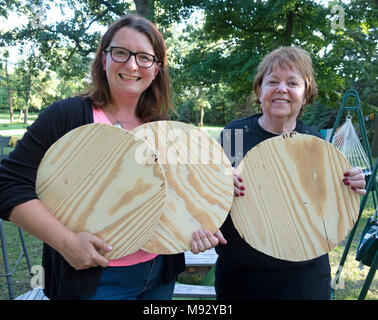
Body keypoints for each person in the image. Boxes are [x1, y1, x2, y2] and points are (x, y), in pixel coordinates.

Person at [0, 14, 225, 300]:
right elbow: (8, 185)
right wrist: (66, 242)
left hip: (158, 273)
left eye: (144, 57)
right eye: (121, 53)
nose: (132, 65)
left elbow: (179, 192)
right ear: (103, 59)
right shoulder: (66, 117)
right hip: (92, 280)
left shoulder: (164, 128)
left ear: (156, 69)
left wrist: (215, 194)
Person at [216, 46, 366, 300]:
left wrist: (349, 186)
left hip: (302, 278)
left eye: (292, 83)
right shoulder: (234, 134)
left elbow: (327, 209)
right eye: (272, 81)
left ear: (306, 94)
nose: (281, 89)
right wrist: (218, 184)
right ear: (259, 90)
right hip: (241, 277)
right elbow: (211, 200)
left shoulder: (315, 142)